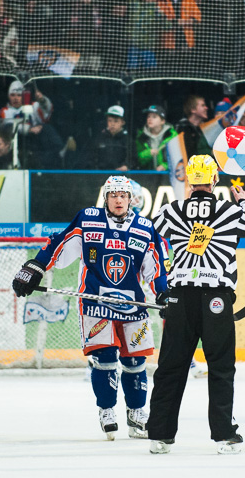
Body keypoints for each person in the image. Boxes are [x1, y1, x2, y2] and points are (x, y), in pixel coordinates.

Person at [12, 176, 168, 440]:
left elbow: (155, 268)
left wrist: (164, 292)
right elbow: (59, 244)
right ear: (105, 198)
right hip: (96, 304)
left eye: (123, 195)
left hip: (133, 306)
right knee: (105, 359)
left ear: (131, 199)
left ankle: (136, 412)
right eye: (113, 195)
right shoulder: (88, 219)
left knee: (135, 362)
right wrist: (35, 268)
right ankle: (107, 410)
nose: (118, 200)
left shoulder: (145, 227)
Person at [147, 155, 245, 455]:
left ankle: (160, 435)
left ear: (188, 181)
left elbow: (153, 229)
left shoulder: (172, 209)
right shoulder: (228, 210)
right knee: (221, 366)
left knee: (171, 367)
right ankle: (224, 435)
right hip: (216, 299)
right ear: (214, 181)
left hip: (180, 298)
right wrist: (244, 200)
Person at [88, 105, 130, 171]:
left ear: (122, 122)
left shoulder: (127, 140)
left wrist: (126, 166)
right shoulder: (100, 138)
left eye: (116, 121)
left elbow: (132, 159)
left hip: (121, 177)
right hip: (101, 177)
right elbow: (92, 158)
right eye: (110, 121)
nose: (112, 124)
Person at [136, 105, 177, 171]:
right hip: (146, 177)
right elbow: (136, 160)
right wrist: (148, 153)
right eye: (148, 116)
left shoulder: (172, 136)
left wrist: (165, 166)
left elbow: (177, 159)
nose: (150, 119)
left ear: (162, 121)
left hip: (167, 176)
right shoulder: (141, 137)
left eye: (154, 117)